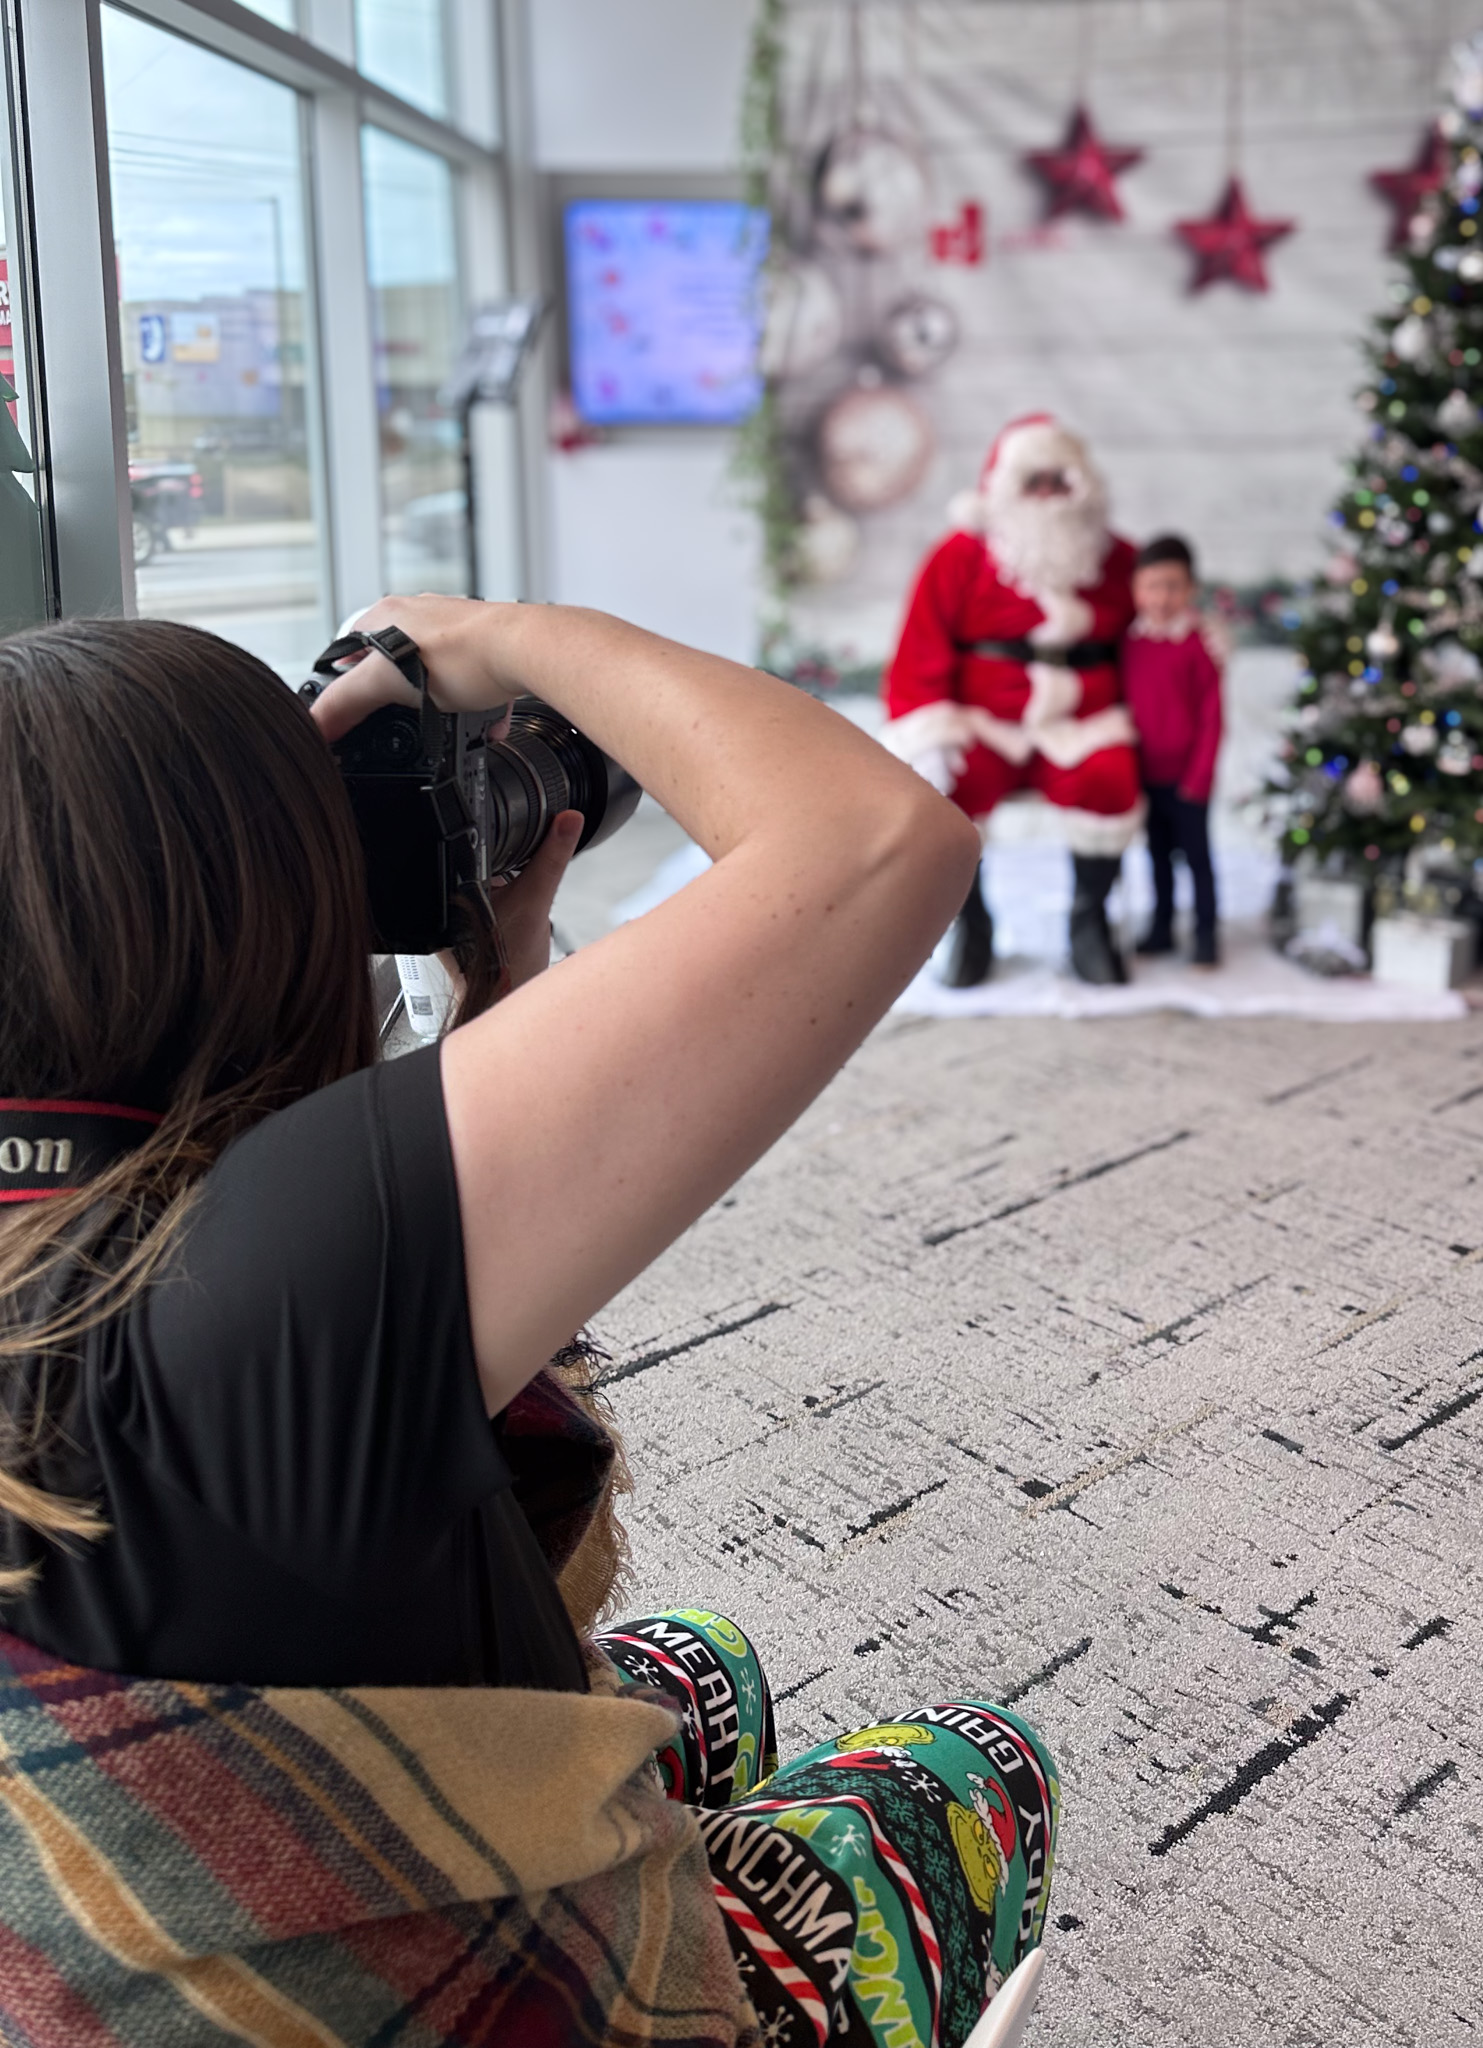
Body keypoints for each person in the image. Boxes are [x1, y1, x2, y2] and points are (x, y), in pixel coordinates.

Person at [0, 605, 1058, 2046]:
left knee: (698, 1670)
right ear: (286, 895)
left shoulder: (118, 1266)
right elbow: (876, 839)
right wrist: (487, 638)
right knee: (969, 1773)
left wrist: (503, 1004)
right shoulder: (244, 1288)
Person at [881, 412, 1143, 987]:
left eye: (1060, 480)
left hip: (1082, 722)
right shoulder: (958, 556)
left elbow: (1152, 641)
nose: (1048, 495)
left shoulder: (1120, 559)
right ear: (1004, 488)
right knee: (945, 794)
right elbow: (918, 648)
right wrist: (931, 729)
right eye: (1034, 482)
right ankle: (971, 924)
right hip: (984, 722)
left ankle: (1088, 921)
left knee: (1110, 777)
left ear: (1082, 485)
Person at [1121, 533, 1224, 967]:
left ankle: (1205, 934)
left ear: (1190, 590)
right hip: (1147, 775)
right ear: (1136, 590)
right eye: (1152, 586)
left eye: (1173, 586)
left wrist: (1199, 776)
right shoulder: (1130, 643)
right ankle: (1161, 927)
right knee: (1157, 857)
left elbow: (1212, 718)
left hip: (1188, 777)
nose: (1162, 597)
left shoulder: (1199, 644)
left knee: (1197, 859)